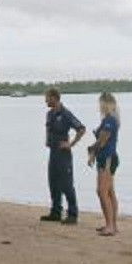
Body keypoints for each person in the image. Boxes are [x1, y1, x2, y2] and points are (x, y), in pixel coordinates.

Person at [40, 88, 86, 225]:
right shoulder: (49, 114)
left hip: (63, 154)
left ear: (54, 97)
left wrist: (71, 144)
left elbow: (81, 129)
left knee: (66, 184)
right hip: (53, 152)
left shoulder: (65, 114)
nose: (45, 100)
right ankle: (56, 212)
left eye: (47, 97)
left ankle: (72, 214)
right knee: (53, 182)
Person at [88, 92, 121, 236]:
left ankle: (110, 226)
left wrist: (91, 151)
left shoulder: (110, 120)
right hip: (104, 158)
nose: (99, 106)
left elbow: (103, 140)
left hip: (108, 159)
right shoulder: (107, 120)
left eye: (100, 103)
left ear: (106, 104)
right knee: (108, 191)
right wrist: (94, 152)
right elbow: (101, 140)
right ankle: (112, 224)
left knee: (102, 191)